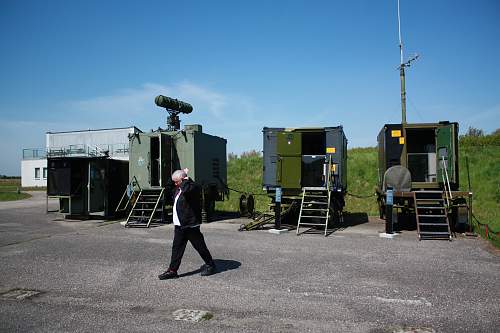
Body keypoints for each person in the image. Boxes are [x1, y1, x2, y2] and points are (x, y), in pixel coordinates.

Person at [158, 169, 216, 279]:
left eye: (177, 182)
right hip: (180, 225)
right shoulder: (177, 188)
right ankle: (172, 270)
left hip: (190, 225)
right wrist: (173, 178)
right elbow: (168, 187)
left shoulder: (192, 187)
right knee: (176, 248)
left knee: (200, 246)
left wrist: (185, 179)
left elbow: (187, 189)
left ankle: (210, 265)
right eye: (174, 182)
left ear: (183, 180)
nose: (175, 184)